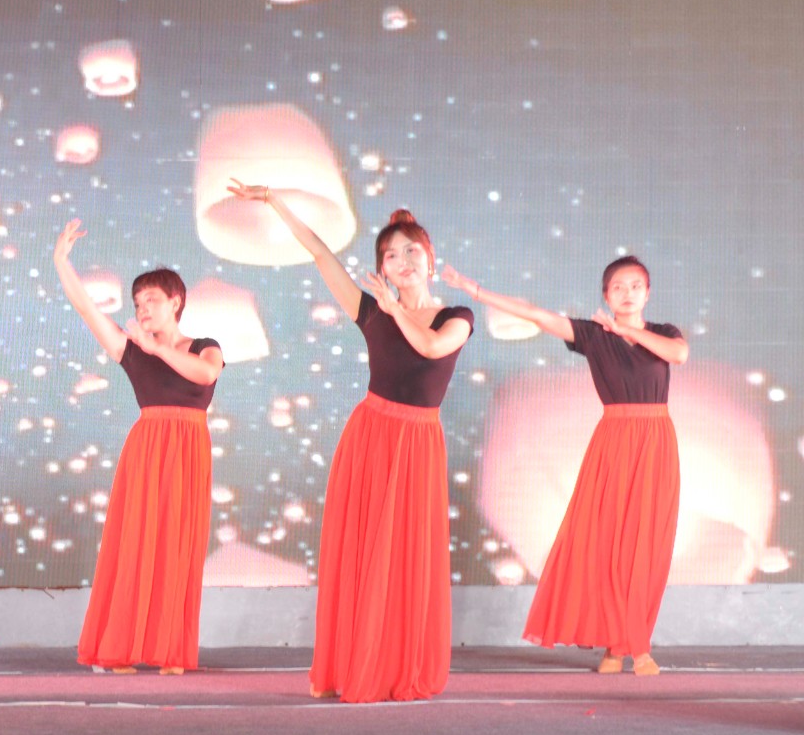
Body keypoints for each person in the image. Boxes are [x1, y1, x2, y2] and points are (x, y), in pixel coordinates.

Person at [229, 187, 472, 702]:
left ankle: (395, 666)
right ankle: (351, 664)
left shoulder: (456, 316)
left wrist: (395, 309)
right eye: (391, 255)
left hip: (418, 444)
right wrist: (274, 201)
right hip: (371, 437)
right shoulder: (372, 312)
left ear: (430, 258)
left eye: (412, 250)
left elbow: (431, 347)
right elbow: (320, 253)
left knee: (404, 557)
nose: (403, 260)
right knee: (362, 554)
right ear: (382, 269)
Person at [442, 257, 687, 674]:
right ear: (605, 295)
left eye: (635, 286)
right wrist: (476, 292)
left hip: (656, 442)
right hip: (614, 441)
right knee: (608, 547)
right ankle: (616, 646)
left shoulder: (664, 333)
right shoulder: (592, 334)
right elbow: (537, 316)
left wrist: (627, 330)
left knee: (648, 548)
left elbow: (678, 355)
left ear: (648, 293)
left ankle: (637, 644)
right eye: (617, 287)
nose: (627, 293)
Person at [52, 219, 223, 674]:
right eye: (137, 303)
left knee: (177, 549)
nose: (143, 309)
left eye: (152, 300)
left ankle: (170, 650)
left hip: (189, 452)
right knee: (136, 546)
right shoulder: (130, 350)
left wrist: (157, 348)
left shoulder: (205, 347)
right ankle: (121, 646)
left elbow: (206, 374)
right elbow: (87, 309)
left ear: (176, 302)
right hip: (147, 450)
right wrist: (61, 263)